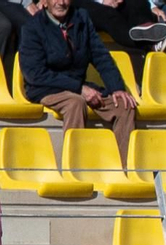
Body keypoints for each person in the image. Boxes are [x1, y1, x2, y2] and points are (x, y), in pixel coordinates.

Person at [19, 0, 139, 167]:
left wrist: (117, 88)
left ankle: (123, 169)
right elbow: (35, 74)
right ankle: (74, 168)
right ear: (44, 2)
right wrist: (78, 88)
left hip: (78, 84)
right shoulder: (32, 27)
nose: (61, 3)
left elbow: (100, 56)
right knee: (76, 102)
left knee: (124, 106)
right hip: (46, 88)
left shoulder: (81, 18)